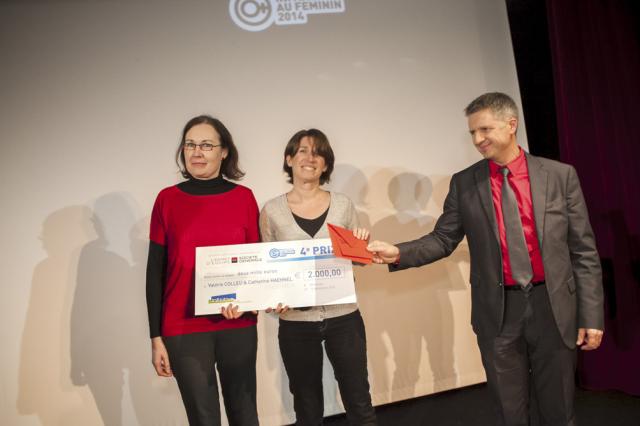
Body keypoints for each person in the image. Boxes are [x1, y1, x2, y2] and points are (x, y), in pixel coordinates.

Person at [367, 92, 604, 426]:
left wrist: (591, 315)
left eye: (484, 130)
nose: (478, 139)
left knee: (559, 410)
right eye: (472, 133)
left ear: (511, 125)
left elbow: (584, 251)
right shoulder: (465, 183)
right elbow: (443, 239)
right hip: (498, 312)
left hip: (553, 308)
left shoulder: (559, 176)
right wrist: (399, 252)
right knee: (509, 413)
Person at [146, 115, 259, 426]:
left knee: (245, 414)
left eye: (206, 145)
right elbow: (155, 272)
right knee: (203, 418)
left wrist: (248, 303)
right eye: (190, 144)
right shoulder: (167, 200)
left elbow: (254, 263)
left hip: (237, 322)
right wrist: (155, 336)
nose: (197, 152)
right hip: (183, 327)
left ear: (224, 152)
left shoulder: (244, 198)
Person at [260, 129, 377, 426]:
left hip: (344, 317)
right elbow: (268, 271)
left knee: (358, 400)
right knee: (307, 405)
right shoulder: (271, 210)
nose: (310, 158)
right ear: (289, 159)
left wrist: (362, 245)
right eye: (302, 151)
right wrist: (273, 301)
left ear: (326, 165)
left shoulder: (343, 205)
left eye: (318, 153)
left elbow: (360, 261)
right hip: (296, 324)